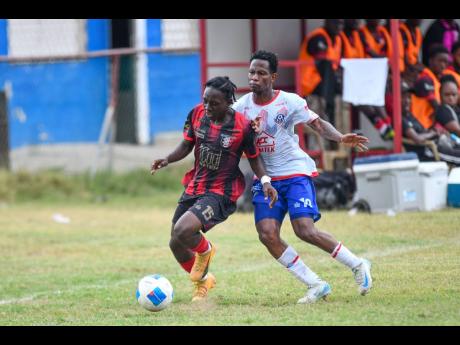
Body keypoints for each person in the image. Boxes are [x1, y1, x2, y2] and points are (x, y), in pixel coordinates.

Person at [232, 50, 373, 304]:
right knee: (267, 234)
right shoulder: (240, 108)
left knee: (305, 230)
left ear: (273, 77)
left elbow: (317, 124)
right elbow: (228, 135)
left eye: (261, 73)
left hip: (295, 172)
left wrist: (340, 137)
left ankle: (357, 264)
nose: (254, 77)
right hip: (265, 178)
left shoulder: (290, 101)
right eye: (252, 72)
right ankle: (315, 284)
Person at [150, 76, 278, 302]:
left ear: (229, 102)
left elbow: (255, 159)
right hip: (196, 185)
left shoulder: (242, 126)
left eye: (214, 103)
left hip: (221, 192)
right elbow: (187, 144)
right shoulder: (197, 114)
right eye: (205, 100)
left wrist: (266, 181)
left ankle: (206, 250)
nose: (208, 107)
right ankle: (203, 283)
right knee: (175, 242)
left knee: (183, 230)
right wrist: (167, 159)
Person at [402, 80, 460, 166]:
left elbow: (423, 131)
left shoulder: (409, 115)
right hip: (429, 150)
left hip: (440, 144)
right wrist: (433, 133)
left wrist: (434, 131)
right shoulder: (443, 109)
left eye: (409, 98)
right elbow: (417, 138)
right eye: (403, 97)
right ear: (440, 95)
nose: (407, 101)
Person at [298, 19, 344, 126]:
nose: (339, 26)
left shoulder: (337, 39)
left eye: (341, 23)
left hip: (324, 83)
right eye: (336, 22)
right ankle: (327, 106)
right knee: (326, 65)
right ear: (327, 21)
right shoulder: (318, 37)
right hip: (309, 83)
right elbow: (324, 66)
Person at [411, 44, 450, 129]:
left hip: (427, 126)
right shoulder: (425, 78)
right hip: (419, 126)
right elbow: (436, 106)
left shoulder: (434, 79)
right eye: (440, 61)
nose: (443, 65)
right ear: (431, 61)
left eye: (446, 62)